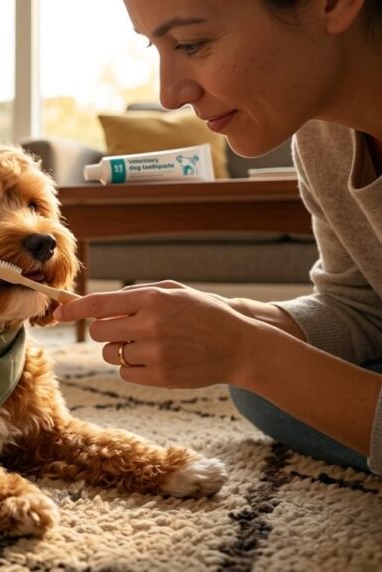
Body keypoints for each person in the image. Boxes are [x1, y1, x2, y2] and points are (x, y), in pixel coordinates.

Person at [53, 0, 382, 473]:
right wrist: (240, 324)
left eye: (191, 43)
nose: (169, 96)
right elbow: (363, 305)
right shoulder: (322, 138)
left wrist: (253, 354)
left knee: (270, 373)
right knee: (258, 389)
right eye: (156, 48)